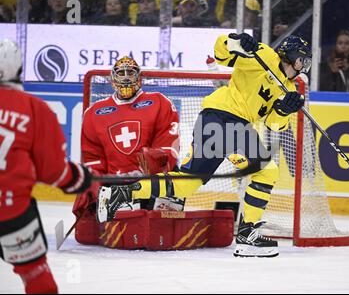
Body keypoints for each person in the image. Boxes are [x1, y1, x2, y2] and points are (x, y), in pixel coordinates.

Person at [97, 33, 312, 258]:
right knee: (267, 171)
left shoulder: (289, 88)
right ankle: (247, 234)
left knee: (187, 182)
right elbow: (221, 54)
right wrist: (235, 41)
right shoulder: (265, 55)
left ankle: (120, 194)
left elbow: (274, 125)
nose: (303, 66)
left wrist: (285, 110)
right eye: (302, 60)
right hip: (227, 118)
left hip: (217, 122)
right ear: (291, 54)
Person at [0, 38, 92, 294]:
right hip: (10, 211)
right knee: (35, 275)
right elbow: (53, 172)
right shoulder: (34, 108)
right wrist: (77, 178)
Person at [72, 56, 181, 244]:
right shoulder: (94, 113)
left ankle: (157, 212)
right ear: (112, 78)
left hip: (149, 184)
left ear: (139, 77)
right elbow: (93, 159)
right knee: (86, 235)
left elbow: (169, 149)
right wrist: (94, 185)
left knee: (159, 228)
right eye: (120, 73)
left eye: (130, 72)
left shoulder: (159, 102)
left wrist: (151, 164)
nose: (125, 78)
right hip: (114, 187)